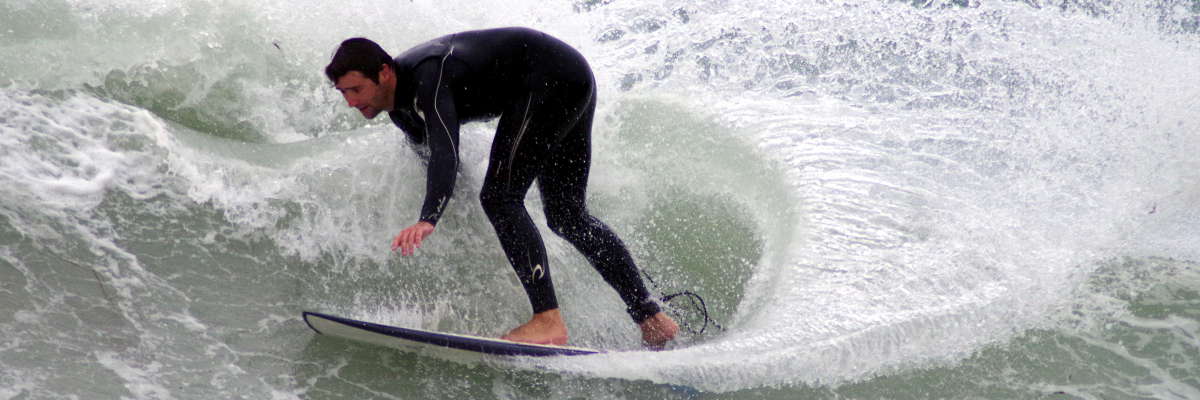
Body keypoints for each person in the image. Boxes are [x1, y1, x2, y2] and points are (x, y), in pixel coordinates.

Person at [323, 27, 678, 347]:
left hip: (551, 78)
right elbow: (438, 163)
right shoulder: (402, 113)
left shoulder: (428, 76)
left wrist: (428, 217)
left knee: (500, 197)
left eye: (356, 89)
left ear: (384, 72)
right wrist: (448, 213)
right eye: (344, 93)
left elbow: (446, 151)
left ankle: (548, 320)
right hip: (570, 78)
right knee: (568, 216)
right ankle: (652, 319)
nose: (352, 102)